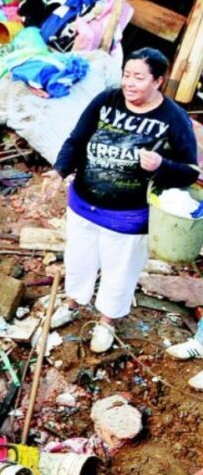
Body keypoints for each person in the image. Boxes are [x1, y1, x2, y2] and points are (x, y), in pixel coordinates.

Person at [46, 48, 199, 354]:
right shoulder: (107, 100)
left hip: (128, 217)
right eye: (126, 75)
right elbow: (77, 139)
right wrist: (59, 171)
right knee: (78, 259)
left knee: (120, 270)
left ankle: (106, 321)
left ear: (158, 80)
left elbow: (189, 172)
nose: (129, 83)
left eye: (139, 77)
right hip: (83, 203)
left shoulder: (173, 119)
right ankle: (73, 303)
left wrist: (161, 166)